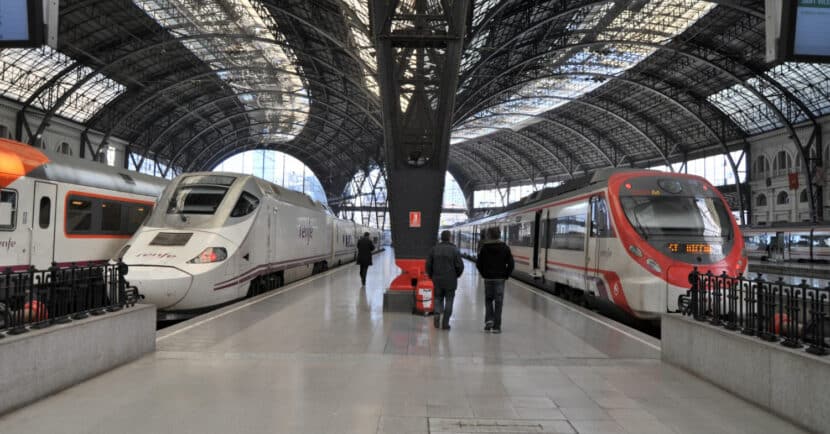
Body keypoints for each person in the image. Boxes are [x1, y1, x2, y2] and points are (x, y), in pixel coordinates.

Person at [475, 226, 514, 334]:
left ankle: (489, 321)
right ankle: (497, 327)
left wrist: (484, 274)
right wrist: (506, 275)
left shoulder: (484, 248)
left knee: (488, 300)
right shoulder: (505, 248)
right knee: (499, 302)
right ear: (499, 235)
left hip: (488, 278)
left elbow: (478, 264)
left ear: (489, 235)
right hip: (500, 279)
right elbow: (511, 264)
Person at [426, 230, 464, 330]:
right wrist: (456, 275)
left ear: (441, 238)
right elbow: (460, 266)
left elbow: (428, 265)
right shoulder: (455, 250)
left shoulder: (434, 249)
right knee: (449, 300)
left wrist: (431, 275)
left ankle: (437, 313)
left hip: (437, 279)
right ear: (449, 237)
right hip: (450, 280)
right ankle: (445, 323)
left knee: (437, 298)